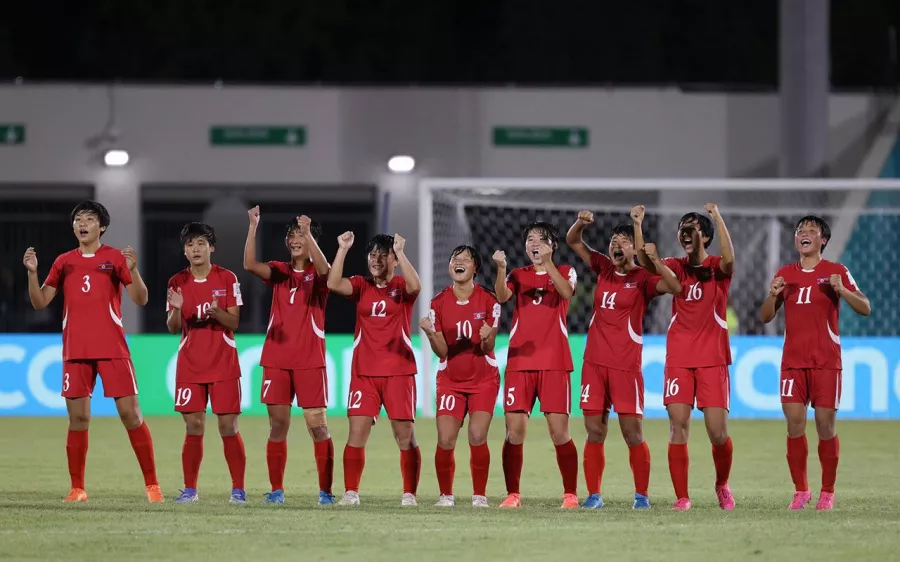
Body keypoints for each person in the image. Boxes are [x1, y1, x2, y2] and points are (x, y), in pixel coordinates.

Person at [22, 200, 162, 503]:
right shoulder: (63, 261)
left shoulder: (115, 258)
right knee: (79, 419)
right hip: (76, 350)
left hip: (112, 348)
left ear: (102, 227)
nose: (82, 223)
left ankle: (152, 485)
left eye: (89, 219)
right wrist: (33, 273)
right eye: (78, 219)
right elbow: (40, 302)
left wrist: (134, 271)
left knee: (131, 415)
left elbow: (141, 298)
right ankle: (77, 488)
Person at [567, 212, 681, 509]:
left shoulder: (642, 279)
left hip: (625, 367)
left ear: (634, 249)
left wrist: (654, 259)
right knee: (595, 430)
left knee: (632, 433)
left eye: (624, 241)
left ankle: (641, 496)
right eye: (613, 241)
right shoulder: (603, 268)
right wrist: (580, 223)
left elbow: (674, 287)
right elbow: (573, 241)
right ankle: (594, 495)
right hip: (594, 362)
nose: (617, 244)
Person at [760, 216, 870, 511]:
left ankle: (828, 492)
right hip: (793, 363)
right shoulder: (785, 273)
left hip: (825, 362)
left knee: (825, 427)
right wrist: (772, 295)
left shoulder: (836, 271)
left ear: (823, 240)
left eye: (812, 231)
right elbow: (765, 316)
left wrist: (843, 291)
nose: (804, 234)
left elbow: (865, 307)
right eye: (800, 231)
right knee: (794, 426)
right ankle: (801, 491)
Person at [636, 203, 736, 511]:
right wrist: (638, 225)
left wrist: (718, 217)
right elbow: (646, 263)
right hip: (679, 356)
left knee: (717, 433)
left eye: (691, 228)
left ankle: (721, 484)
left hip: (712, 357)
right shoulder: (676, 266)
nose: (685, 233)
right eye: (682, 229)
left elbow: (730, 259)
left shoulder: (718, 267)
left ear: (704, 236)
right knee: (677, 425)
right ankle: (682, 497)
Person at [243, 207, 334, 505]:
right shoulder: (280, 272)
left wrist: (310, 234)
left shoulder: (320, 277)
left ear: (312, 241)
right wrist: (253, 226)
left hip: (310, 361)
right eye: (292, 235)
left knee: (318, 427)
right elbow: (249, 265)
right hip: (277, 360)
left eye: (302, 235)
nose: (296, 240)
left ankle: (325, 492)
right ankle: (277, 490)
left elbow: (326, 273)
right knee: (278, 425)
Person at [327, 232, 422, 506]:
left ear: (393, 258)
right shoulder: (361, 285)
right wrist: (343, 248)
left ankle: (409, 494)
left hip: (398, 371)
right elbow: (333, 283)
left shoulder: (403, 286)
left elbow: (417, 287)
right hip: (364, 372)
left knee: (404, 435)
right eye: (373, 255)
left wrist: (402, 253)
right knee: (356, 432)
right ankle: (351, 492)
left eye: (383, 255)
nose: (377, 260)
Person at [493, 221, 579, 509]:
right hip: (520, 361)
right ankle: (512, 494)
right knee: (514, 431)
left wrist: (548, 263)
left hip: (554, 362)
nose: (534, 243)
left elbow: (566, 293)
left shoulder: (566, 271)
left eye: (541, 239)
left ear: (552, 245)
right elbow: (502, 297)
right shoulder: (518, 275)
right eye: (530, 239)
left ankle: (570, 493)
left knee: (559, 432)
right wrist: (502, 268)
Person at [166, 222, 246, 504]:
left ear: (211, 247)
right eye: (190, 245)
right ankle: (190, 490)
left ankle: (238, 489)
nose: (195, 249)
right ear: (184, 251)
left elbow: (234, 321)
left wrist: (217, 313)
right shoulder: (177, 282)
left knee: (228, 426)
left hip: (223, 362)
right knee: (194, 425)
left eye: (200, 243)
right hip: (190, 363)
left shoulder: (227, 278)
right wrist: (176, 308)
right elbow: (173, 328)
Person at [419, 245, 500, 508]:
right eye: (455, 258)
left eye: (466, 259)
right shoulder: (438, 303)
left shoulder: (489, 301)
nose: (459, 262)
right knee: (445, 439)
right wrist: (431, 334)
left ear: (475, 268)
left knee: (477, 436)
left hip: (483, 379)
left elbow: (488, 348)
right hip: (451, 380)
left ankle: (479, 496)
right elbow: (441, 351)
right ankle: (446, 496)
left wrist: (488, 337)